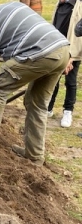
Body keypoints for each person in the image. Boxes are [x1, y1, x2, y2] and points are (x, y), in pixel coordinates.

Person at [0, 0, 70, 166]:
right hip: (61, 49)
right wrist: (63, 55)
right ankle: (34, 155)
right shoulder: (10, 7)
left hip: (41, 52)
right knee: (36, 102)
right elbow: (36, 27)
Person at [47, 0, 82, 128]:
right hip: (58, 49)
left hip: (73, 52)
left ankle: (68, 112)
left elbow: (79, 35)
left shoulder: (79, 6)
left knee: (70, 82)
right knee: (53, 79)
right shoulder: (59, 5)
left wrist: (72, 56)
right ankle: (49, 108)